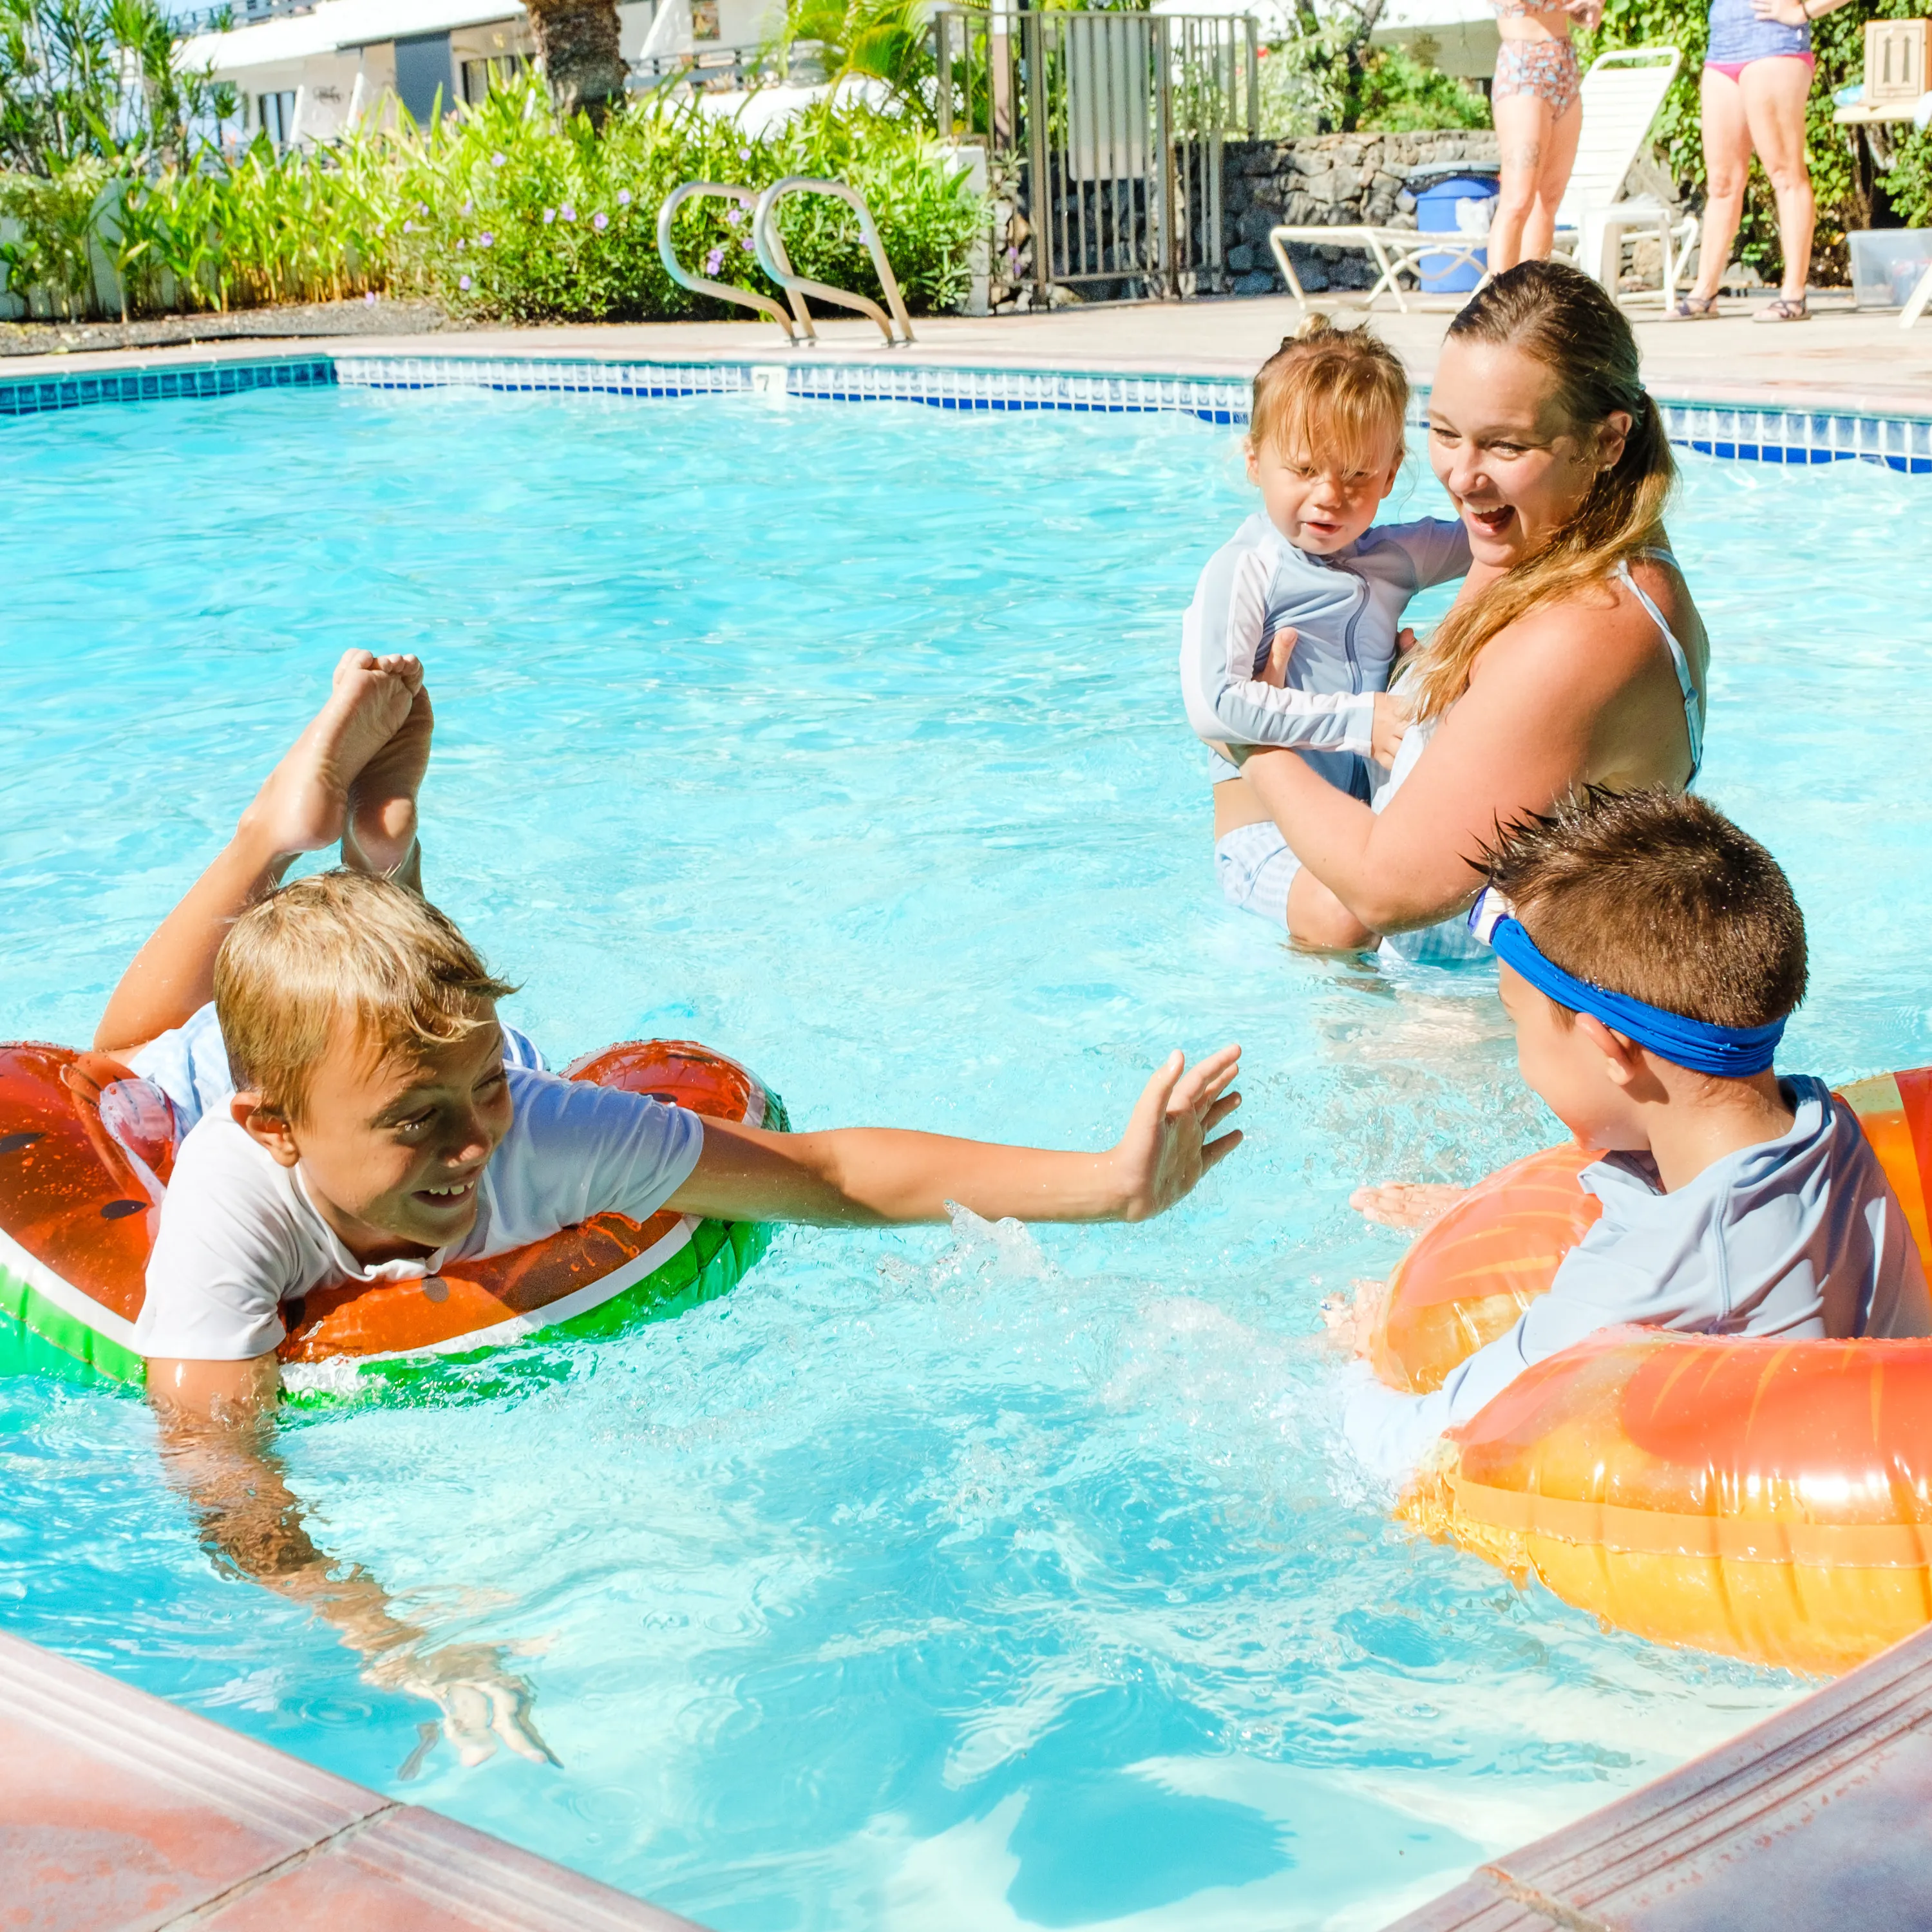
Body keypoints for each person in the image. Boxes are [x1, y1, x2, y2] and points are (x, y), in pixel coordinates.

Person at [106, 649, 1245, 1768]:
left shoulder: (538, 1130)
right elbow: (222, 1469)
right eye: (420, 1122)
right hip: (226, 1089)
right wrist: (395, 1637)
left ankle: (384, 867)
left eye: (485, 1091)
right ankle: (280, 833)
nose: (470, 1145)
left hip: (386, 1063)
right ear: (279, 1131)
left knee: (403, 1022)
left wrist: (1115, 1184)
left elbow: (829, 1175)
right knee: (114, 1065)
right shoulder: (232, 1183)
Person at [1335, 788, 1932, 1484]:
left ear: (1610, 1047)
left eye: (1515, 1020)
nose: (1518, 1050)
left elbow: (1407, 1453)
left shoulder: (1644, 1280)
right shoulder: (1825, 1125)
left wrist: (1355, 1362)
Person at [1223, 260, 1710, 965]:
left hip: (1469, 1039)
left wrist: (1251, 734)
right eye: (1444, 431)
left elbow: (1386, 892)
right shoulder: (1535, 540)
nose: (1461, 475)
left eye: (1506, 444)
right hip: (1433, 1005)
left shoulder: (1589, 625)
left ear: (1607, 442)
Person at [1181, 319, 1469, 950]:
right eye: (1305, 468)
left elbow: (1499, 537)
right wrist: (1360, 720)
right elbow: (1212, 705)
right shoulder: (1246, 566)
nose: (1330, 497)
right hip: (1264, 839)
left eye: (1358, 476)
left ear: (1391, 475)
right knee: (1346, 919)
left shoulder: (1396, 558)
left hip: (1360, 835)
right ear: (1256, 460)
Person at [1671, 0, 1859, 323]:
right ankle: (1705, 292)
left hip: (1776, 44)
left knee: (1785, 174)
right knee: (1721, 183)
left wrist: (1804, 11)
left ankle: (1793, 296)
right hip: (1722, 50)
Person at [1486, 0, 1603, 273]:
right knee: (1518, 199)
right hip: (1523, 66)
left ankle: (1532, 300)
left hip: (1564, 65)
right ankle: (1500, 302)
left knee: (1548, 200)